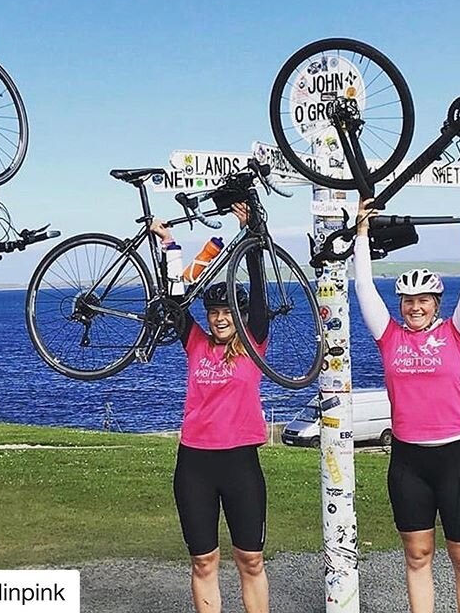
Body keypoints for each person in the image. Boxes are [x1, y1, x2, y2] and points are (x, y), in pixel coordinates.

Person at [354, 198, 460, 613]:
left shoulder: (458, 333)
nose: (415, 307)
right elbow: (364, 288)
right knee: (417, 556)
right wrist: (362, 236)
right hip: (408, 461)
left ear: (437, 303)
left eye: (424, 300)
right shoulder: (389, 337)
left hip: (456, 457)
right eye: (408, 301)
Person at [151, 202, 270, 613]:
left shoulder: (254, 343)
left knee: (250, 560)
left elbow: (258, 294)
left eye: (227, 313)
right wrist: (170, 244)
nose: (220, 319)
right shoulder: (196, 342)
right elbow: (175, 300)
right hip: (195, 463)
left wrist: (252, 234)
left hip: (240, 462)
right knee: (203, 560)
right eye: (215, 313)